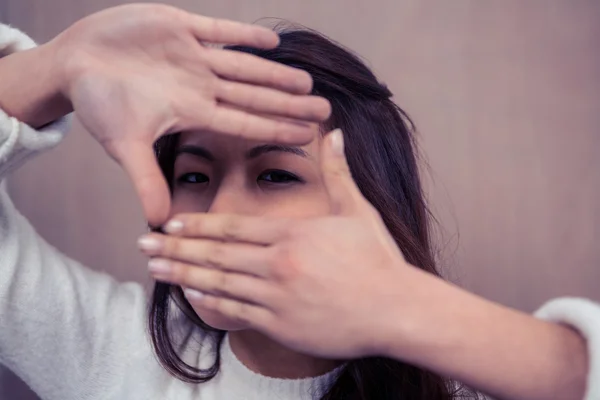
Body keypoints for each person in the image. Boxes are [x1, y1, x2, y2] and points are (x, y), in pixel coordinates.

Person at [0, 4, 598, 400]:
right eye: (195, 176)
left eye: (276, 176)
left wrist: (411, 313)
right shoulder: (102, 346)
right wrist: (57, 66)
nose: (222, 217)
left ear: (371, 202)